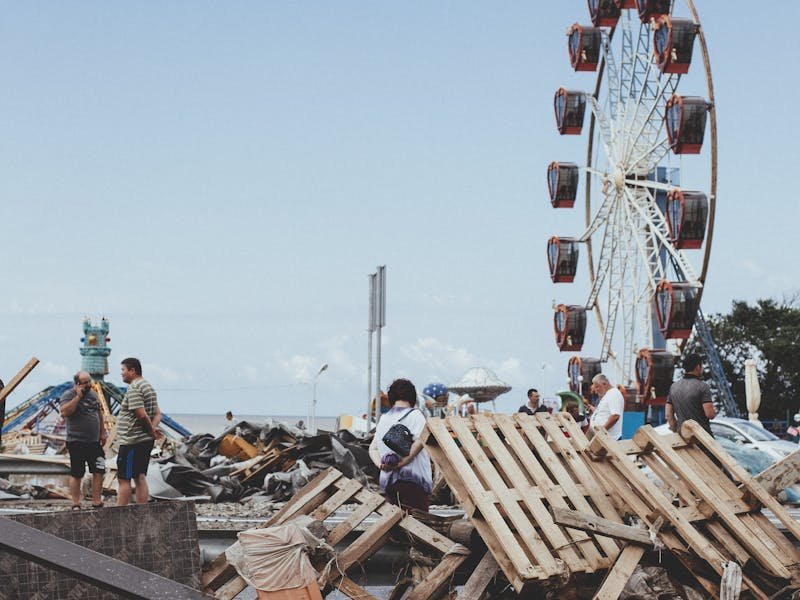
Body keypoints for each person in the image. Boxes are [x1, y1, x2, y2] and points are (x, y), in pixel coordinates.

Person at [368, 378, 432, 512]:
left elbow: (372, 448)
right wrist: (403, 461)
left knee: (395, 525)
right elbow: (421, 440)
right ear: (412, 397)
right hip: (413, 481)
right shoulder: (416, 416)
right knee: (419, 527)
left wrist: (381, 465)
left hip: (388, 483)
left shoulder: (384, 419)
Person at [116, 357, 162, 506]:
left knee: (124, 479)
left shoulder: (135, 388)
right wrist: (152, 430)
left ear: (132, 370)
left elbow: (141, 414)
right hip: (144, 442)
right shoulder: (148, 386)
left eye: (123, 370)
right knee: (140, 477)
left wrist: (151, 431)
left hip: (132, 442)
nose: (121, 373)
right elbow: (157, 414)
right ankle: (142, 512)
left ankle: (119, 513)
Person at [60, 371, 107, 509]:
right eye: (85, 382)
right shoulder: (68, 395)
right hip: (76, 441)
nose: (88, 384)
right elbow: (64, 412)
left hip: (94, 442)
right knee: (77, 473)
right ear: (77, 383)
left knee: (99, 469)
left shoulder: (93, 394)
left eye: (89, 381)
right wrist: (78, 398)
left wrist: (102, 432)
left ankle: (96, 501)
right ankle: (75, 502)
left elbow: (99, 414)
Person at [666, 353, 716, 436]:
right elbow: (710, 414)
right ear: (698, 367)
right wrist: (714, 411)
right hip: (703, 438)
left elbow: (668, 414)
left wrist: (676, 430)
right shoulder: (703, 387)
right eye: (702, 366)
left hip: (683, 436)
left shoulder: (673, 387)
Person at [587, 374, 624, 440]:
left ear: (604, 384)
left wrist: (601, 432)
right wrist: (595, 411)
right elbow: (606, 413)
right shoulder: (608, 394)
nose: (596, 390)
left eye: (597, 387)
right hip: (603, 438)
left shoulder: (614, 394)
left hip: (608, 440)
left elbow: (615, 416)